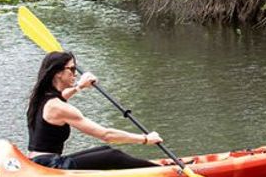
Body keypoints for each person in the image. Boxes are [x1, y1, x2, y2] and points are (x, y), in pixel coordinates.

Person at [26, 51, 163, 170]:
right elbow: (106, 135)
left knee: (105, 151)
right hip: (51, 165)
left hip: (38, 161)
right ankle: (163, 173)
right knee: (112, 156)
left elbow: (62, 96)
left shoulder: (41, 97)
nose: (75, 74)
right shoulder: (59, 108)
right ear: (58, 74)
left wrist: (80, 86)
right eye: (72, 69)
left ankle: (158, 168)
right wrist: (145, 139)